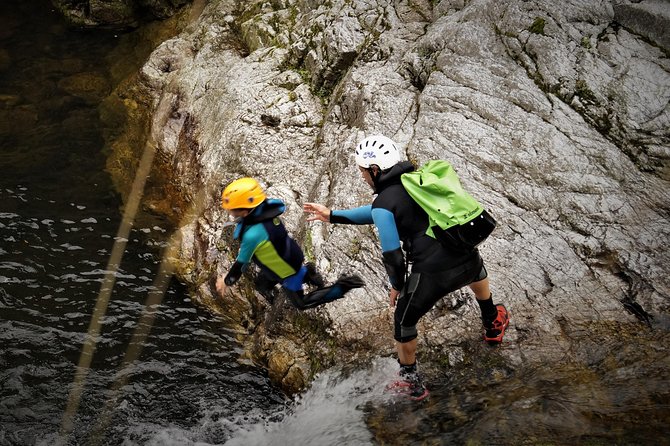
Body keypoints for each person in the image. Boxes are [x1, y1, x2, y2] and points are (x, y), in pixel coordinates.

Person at [303, 135, 509, 401]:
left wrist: (397, 286)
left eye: (363, 172)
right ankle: (493, 321)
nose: (363, 177)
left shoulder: (384, 202)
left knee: (403, 320)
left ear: (375, 170)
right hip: (466, 257)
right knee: (476, 268)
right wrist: (332, 215)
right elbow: (380, 210)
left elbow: (393, 256)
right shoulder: (414, 180)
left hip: (433, 273)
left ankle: (411, 382)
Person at [215, 177, 364, 310]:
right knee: (261, 284)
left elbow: (240, 264)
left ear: (245, 212)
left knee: (301, 303)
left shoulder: (252, 235)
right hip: (290, 252)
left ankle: (342, 286)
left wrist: (226, 281)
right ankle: (307, 272)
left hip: (286, 271)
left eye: (232, 209)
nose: (229, 211)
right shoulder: (266, 209)